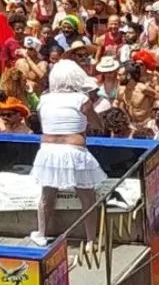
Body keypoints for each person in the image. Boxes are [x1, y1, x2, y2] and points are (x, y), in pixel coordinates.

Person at [29, 60, 107, 248]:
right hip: (74, 151)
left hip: (48, 151)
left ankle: (41, 233)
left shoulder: (44, 99)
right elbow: (98, 124)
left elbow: (44, 123)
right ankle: (91, 240)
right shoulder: (81, 99)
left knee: (47, 194)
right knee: (87, 196)